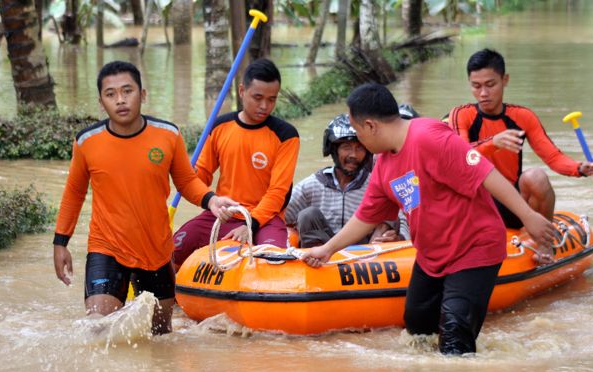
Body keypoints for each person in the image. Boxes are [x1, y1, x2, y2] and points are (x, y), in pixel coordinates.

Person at [301, 83, 556, 355]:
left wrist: (528, 216)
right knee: (418, 330)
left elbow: (485, 173)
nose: (359, 141)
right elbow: (366, 216)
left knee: (455, 331)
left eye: (359, 131)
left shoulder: (429, 136)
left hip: (474, 249)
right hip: (432, 256)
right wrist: (327, 249)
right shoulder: (383, 165)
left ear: (371, 125)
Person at [52, 61, 237, 335]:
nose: (121, 99)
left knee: (161, 336)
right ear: (101, 102)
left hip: (156, 251)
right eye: (111, 94)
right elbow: (74, 193)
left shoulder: (168, 135)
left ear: (143, 94)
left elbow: (186, 181)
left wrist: (211, 200)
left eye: (128, 91)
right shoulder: (87, 141)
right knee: (97, 331)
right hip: (107, 246)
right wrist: (60, 241)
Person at [447, 49, 593, 262]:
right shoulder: (461, 114)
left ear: (505, 80)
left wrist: (580, 168)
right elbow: (459, 158)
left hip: (511, 204)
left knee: (536, 176)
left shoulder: (523, 116)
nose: (483, 93)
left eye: (490, 85)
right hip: (474, 205)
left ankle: (545, 244)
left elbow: (553, 157)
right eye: (476, 86)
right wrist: (493, 143)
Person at [172, 58, 300, 269]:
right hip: (224, 214)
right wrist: (194, 182)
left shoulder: (286, 135)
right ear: (241, 91)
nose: (264, 106)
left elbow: (278, 192)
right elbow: (200, 177)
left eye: (271, 99)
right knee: (172, 251)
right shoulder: (220, 126)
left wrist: (250, 226)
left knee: (274, 263)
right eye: (257, 98)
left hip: (265, 219)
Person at [285, 109, 414, 247]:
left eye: (359, 148)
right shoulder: (310, 186)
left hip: (368, 254)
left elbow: (404, 218)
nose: (353, 155)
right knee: (307, 215)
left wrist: (399, 237)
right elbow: (282, 217)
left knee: (390, 216)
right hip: (322, 253)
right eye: (346, 147)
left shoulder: (377, 183)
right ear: (333, 150)